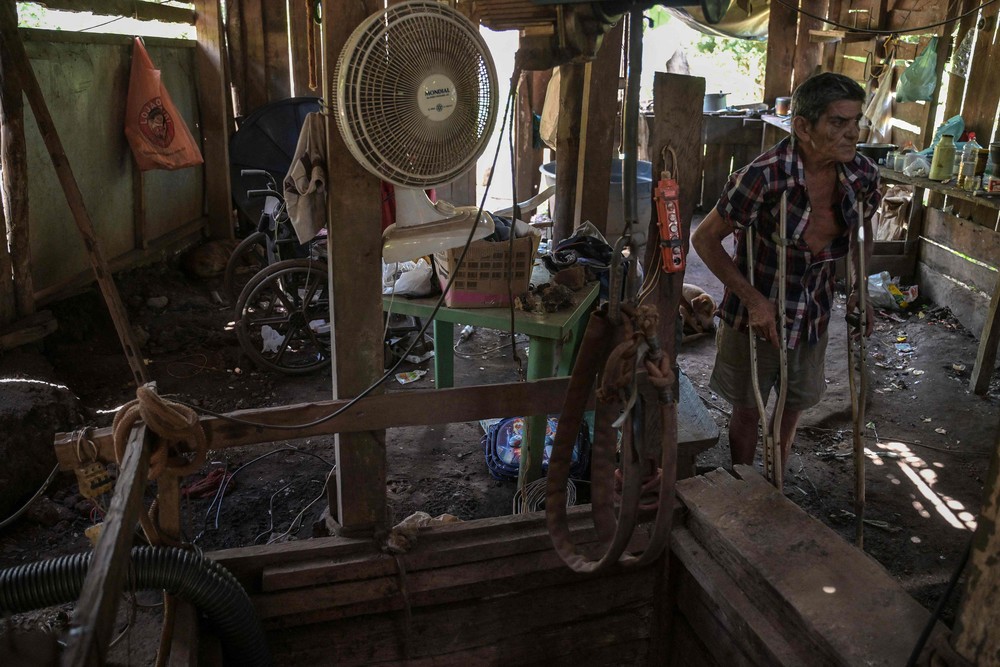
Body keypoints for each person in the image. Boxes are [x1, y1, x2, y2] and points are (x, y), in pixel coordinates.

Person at [690, 72, 880, 472]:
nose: (853, 133)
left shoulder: (861, 177)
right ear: (803, 127)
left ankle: (776, 480)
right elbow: (704, 240)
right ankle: (744, 480)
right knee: (747, 406)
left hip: (813, 313)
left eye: (856, 121)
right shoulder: (762, 177)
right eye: (838, 122)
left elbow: (864, 230)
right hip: (756, 316)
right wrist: (753, 299)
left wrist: (861, 287)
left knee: (792, 405)